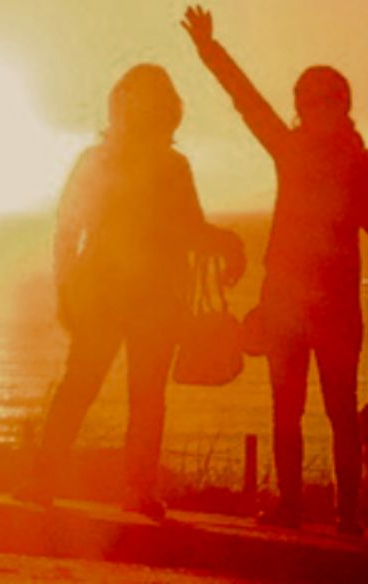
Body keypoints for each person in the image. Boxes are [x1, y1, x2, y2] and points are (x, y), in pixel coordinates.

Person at [182, 6, 368, 534]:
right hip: (290, 302)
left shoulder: (356, 161)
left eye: (318, 98)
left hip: (332, 306)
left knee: (339, 411)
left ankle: (346, 514)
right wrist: (209, 49)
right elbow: (247, 102)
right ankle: (297, 506)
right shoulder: (297, 150)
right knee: (289, 409)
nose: (308, 106)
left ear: (342, 104)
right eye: (303, 98)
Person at [26, 64, 244, 519]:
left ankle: (101, 485)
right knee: (100, 389)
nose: (141, 107)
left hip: (141, 295)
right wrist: (65, 288)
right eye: (135, 98)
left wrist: (228, 243)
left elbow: (186, 229)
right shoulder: (112, 161)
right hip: (116, 292)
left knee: (121, 392)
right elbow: (70, 229)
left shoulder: (153, 163)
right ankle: (57, 479)